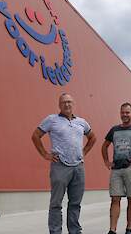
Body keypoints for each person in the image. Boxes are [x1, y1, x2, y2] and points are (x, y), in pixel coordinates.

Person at [32, 93, 96, 234]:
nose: (67, 104)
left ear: (73, 104)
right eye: (63, 102)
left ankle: (74, 231)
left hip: (78, 167)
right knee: (56, 203)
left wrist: (83, 152)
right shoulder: (52, 120)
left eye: (69, 102)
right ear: (59, 105)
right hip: (60, 166)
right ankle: (55, 231)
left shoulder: (81, 122)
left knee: (75, 203)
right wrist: (45, 154)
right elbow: (35, 135)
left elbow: (92, 137)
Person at [101, 102, 131, 234]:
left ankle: (128, 228)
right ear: (120, 113)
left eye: (127, 112)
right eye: (123, 112)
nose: (125, 115)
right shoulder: (114, 129)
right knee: (115, 199)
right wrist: (106, 162)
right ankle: (112, 230)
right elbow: (104, 146)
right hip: (116, 169)